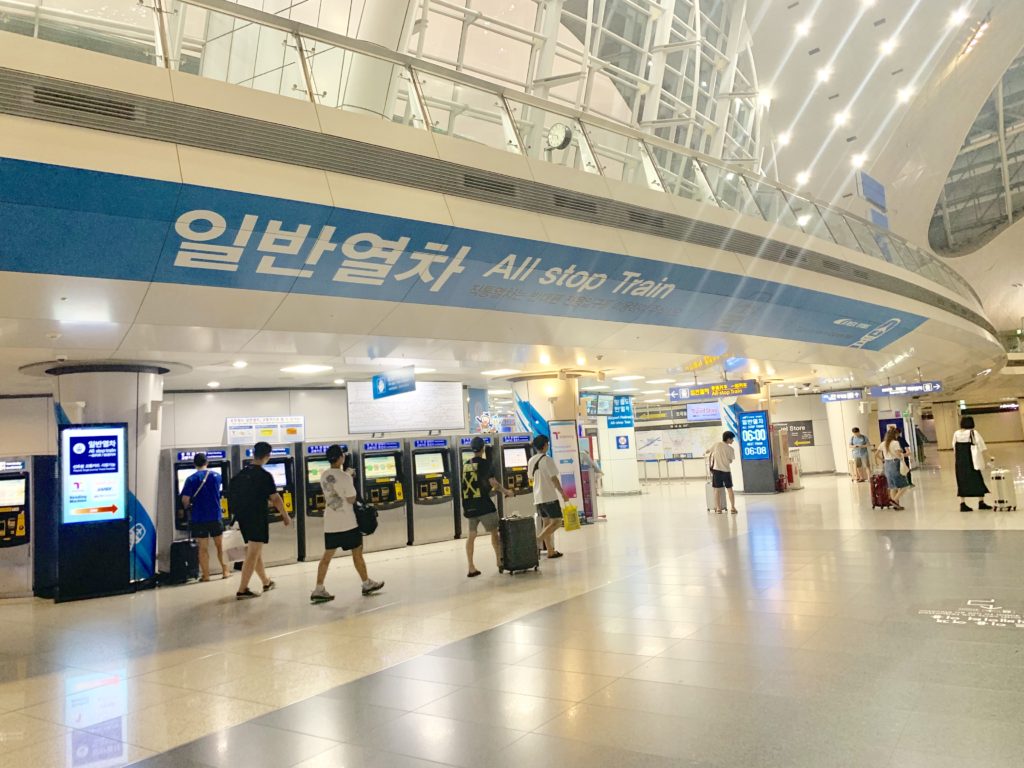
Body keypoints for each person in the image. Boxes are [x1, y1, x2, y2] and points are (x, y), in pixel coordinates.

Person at [311, 445, 384, 603]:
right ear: (340, 458)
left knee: (326, 556)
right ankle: (366, 583)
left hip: (330, 523)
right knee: (357, 553)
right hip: (348, 523)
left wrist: (346, 475)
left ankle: (318, 588)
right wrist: (349, 476)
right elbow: (351, 499)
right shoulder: (345, 477)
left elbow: (334, 486)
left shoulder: (323, 475)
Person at [232, 441, 292, 599]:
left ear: (253, 454)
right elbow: (276, 498)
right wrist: (285, 515)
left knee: (255, 551)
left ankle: (266, 582)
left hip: (243, 517)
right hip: (257, 517)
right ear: (267, 456)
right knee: (253, 553)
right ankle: (242, 590)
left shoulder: (241, 474)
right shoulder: (265, 476)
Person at [461, 437, 512, 577]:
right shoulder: (485, 463)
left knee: (471, 535)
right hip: (483, 505)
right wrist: (506, 492)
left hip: (469, 505)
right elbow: (494, 483)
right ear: (483, 448)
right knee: (494, 532)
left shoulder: (466, 464)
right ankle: (499, 561)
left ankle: (471, 567)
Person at [180, 453, 228, 581]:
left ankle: (206, 575)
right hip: (215, 515)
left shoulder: (191, 479)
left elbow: (185, 499)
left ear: (194, 464)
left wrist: (188, 507)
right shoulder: (217, 476)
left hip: (199, 518)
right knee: (220, 546)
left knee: (203, 548)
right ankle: (225, 571)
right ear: (207, 462)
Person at [527, 434, 568, 559]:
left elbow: (530, 477)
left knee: (546, 523)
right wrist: (562, 493)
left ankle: (550, 551)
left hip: (538, 498)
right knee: (557, 522)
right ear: (545, 445)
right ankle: (537, 540)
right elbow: (554, 479)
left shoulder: (531, 460)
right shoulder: (547, 460)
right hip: (549, 496)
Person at [952, 416, 992, 512]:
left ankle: (962, 503)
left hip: (960, 461)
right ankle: (981, 502)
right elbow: (982, 446)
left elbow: (953, 446)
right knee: (977, 479)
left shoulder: (956, 433)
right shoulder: (973, 432)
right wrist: (990, 457)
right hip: (972, 461)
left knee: (961, 481)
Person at [877, 425, 910, 510]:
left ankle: (896, 506)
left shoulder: (883, 443)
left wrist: (883, 460)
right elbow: (898, 455)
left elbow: (876, 454)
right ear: (894, 435)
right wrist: (904, 454)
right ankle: (894, 500)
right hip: (895, 464)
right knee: (905, 486)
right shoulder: (895, 443)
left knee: (892, 487)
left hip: (887, 465)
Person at [705, 431, 738, 514]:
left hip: (716, 471)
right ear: (728, 439)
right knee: (729, 489)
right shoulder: (731, 449)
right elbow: (730, 461)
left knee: (717, 490)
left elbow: (708, 451)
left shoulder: (717, 444)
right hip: (726, 471)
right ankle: (733, 508)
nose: (733, 440)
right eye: (732, 439)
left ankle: (718, 508)